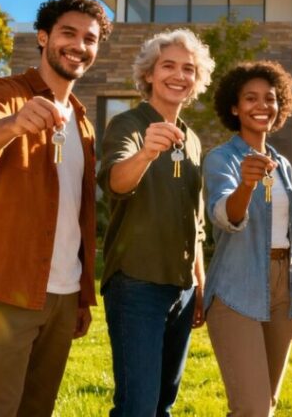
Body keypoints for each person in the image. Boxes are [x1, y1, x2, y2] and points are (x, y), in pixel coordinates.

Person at [0, 0, 111, 417]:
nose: (79, 45)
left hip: (61, 295)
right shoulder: (6, 92)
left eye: (90, 39)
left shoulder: (83, 121)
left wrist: (79, 296)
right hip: (3, 288)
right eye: (68, 33)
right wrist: (14, 123)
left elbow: (78, 215)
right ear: (43, 37)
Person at [99, 29, 215, 417]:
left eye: (188, 69)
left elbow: (195, 221)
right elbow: (116, 182)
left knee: (163, 404)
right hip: (137, 284)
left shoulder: (193, 140)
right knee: (138, 407)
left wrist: (199, 283)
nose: (179, 75)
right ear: (149, 74)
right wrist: (147, 152)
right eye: (168, 66)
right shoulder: (129, 124)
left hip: (181, 289)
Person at [203, 61, 292, 416]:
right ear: (234, 107)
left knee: (268, 403)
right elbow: (224, 216)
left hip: (282, 290)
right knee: (252, 408)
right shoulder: (222, 159)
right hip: (236, 286)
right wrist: (246, 186)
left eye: (271, 98)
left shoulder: (282, 164)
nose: (262, 105)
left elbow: (290, 236)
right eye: (251, 98)